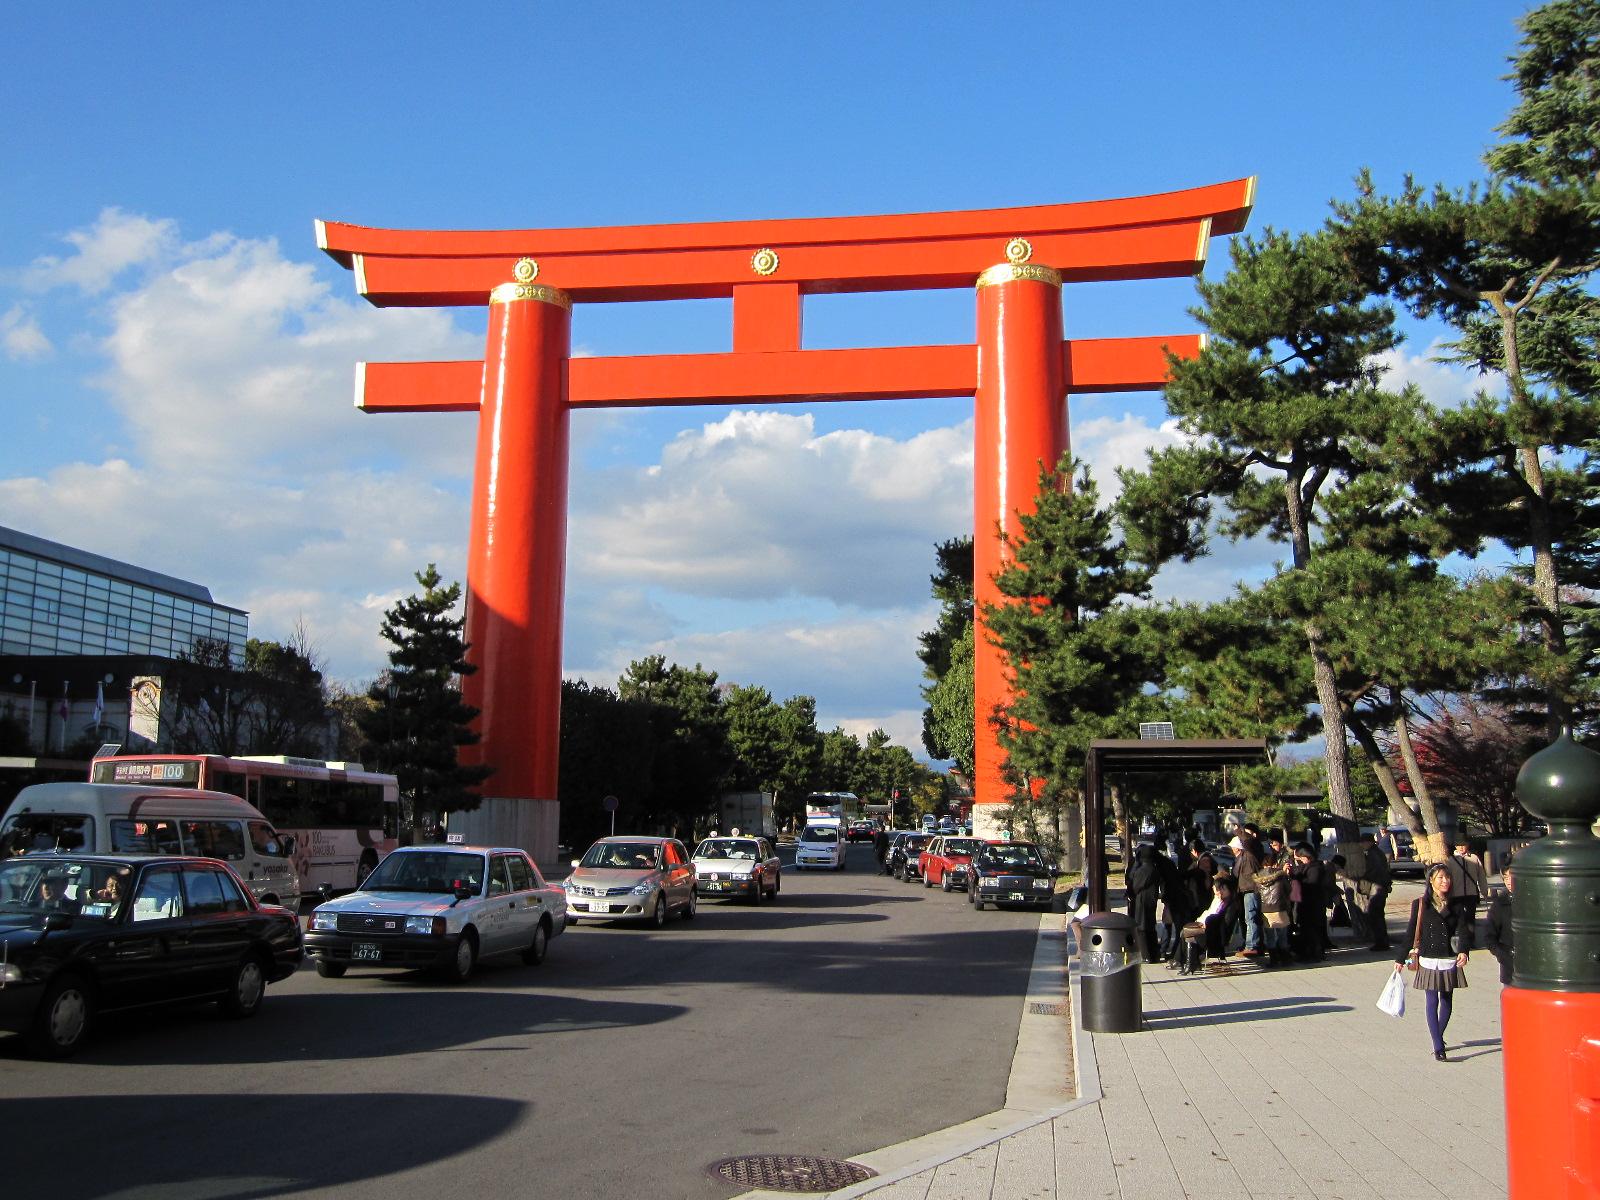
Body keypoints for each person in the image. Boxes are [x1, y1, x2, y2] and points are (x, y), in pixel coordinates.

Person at [1394, 862, 1472, 1060]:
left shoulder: (1457, 905)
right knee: (1431, 1000)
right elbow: (1411, 932)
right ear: (1431, 880)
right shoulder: (1421, 904)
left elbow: (1464, 931)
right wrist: (1400, 958)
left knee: (1446, 1000)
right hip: (1428, 958)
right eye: (1440, 878)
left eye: (1447, 877)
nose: (1445, 881)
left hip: (1449, 958)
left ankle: (1438, 1035)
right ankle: (1438, 1046)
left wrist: (1464, 951)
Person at [1287, 843, 1330, 961]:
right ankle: (1306, 952)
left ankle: (1314, 953)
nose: (1301, 860)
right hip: (1305, 902)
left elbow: (1312, 884)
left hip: (1313, 903)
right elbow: (1298, 872)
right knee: (1305, 928)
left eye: (1301, 858)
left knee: (1312, 929)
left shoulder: (1315, 868)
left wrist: (1298, 879)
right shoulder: (1307, 866)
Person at [1254, 849, 1293, 968]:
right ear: (1275, 863)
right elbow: (1288, 890)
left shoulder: (1258, 877)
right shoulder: (1281, 876)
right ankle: (1285, 959)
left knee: (1270, 936)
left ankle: (1273, 960)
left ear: (1263, 864)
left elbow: (1256, 894)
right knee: (1282, 935)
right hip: (1280, 908)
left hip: (1266, 910)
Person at [1126, 844, 1164, 963]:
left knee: (1142, 927)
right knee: (1150, 927)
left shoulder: (1143, 870)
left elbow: (1135, 886)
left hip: (1142, 900)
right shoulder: (1154, 868)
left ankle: (1146, 954)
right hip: (1151, 899)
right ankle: (1154, 954)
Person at [1232, 833, 1265, 958]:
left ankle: (1252, 946)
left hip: (1251, 888)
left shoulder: (1248, 855)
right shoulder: (1242, 857)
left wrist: (1239, 831)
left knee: (1251, 917)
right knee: (1251, 917)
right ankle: (1255, 945)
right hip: (1247, 889)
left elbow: (1248, 841)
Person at [1483, 865, 1515, 986]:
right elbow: (1489, 935)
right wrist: (1502, 955)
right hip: (1509, 967)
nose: (1509, 881)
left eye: (1512, 876)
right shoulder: (1500, 904)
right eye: (1506, 877)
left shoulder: (1533, 902)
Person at [1361, 834, 1393, 950]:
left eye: (1363, 842)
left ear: (1368, 842)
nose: (1361, 845)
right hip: (1378, 887)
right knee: (1377, 915)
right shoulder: (1374, 853)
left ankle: (1381, 942)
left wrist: (1363, 879)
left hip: (1377, 887)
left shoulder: (1373, 854)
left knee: (1376, 916)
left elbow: (1374, 872)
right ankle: (1381, 941)